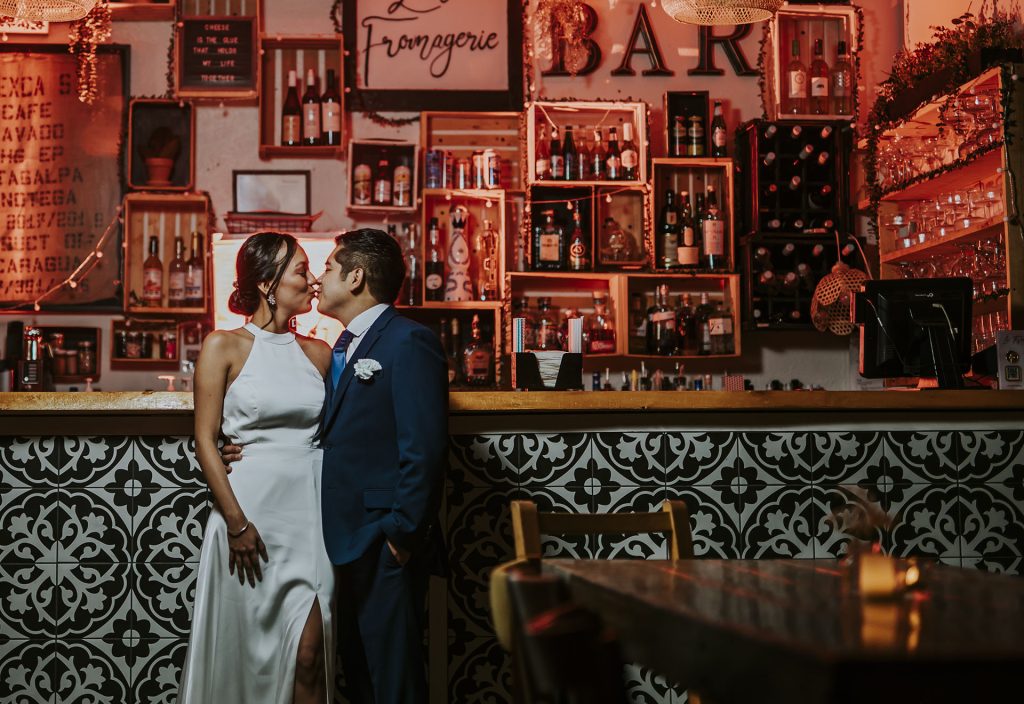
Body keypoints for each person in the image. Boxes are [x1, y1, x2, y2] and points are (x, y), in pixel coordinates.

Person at [222, 228, 449, 704]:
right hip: (334, 539)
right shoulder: (341, 347)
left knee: (394, 681)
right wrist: (244, 444)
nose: (319, 279)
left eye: (326, 268)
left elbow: (423, 449)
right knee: (360, 678)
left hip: (383, 541)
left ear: (357, 276)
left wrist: (400, 538)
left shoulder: (407, 342)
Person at [179, 232, 335, 704]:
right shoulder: (222, 345)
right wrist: (236, 522)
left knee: (311, 651)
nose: (312, 281)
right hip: (247, 515)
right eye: (301, 271)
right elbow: (205, 440)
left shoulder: (321, 355)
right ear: (268, 284)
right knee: (244, 652)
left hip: (311, 515)